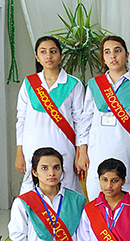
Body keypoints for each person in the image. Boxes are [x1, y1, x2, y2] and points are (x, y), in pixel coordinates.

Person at [78, 35, 130, 201]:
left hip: (127, 149)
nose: (113, 56)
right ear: (103, 57)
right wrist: (81, 151)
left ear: (127, 54)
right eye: (107, 52)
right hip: (97, 150)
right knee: (97, 197)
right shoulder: (95, 85)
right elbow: (85, 119)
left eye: (118, 51)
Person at [15, 36, 84, 195]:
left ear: (60, 55)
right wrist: (20, 152)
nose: (48, 56)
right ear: (37, 57)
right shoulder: (29, 84)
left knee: (65, 189)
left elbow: (80, 121)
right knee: (32, 192)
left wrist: (80, 152)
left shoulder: (73, 84)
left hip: (63, 145)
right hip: (33, 146)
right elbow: (21, 119)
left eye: (53, 51)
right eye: (43, 52)